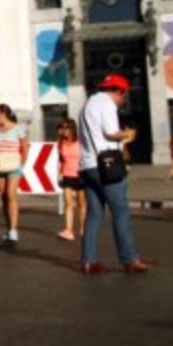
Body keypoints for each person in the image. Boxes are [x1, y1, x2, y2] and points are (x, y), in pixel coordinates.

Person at [77, 74, 152, 274]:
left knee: (94, 214)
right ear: (120, 92)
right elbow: (111, 132)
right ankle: (130, 259)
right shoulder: (108, 104)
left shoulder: (88, 105)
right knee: (120, 212)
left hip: (87, 165)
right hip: (106, 165)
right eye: (124, 96)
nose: (122, 101)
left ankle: (88, 260)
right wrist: (128, 134)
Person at [0, 103, 28, 246]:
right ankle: (9, 229)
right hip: (0, 166)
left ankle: (13, 230)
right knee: (4, 197)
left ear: (3, 114)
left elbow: (25, 146)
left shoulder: (19, 128)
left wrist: (22, 162)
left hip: (14, 166)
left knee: (11, 195)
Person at [56, 118, 85, 241]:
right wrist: (59, 174)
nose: (64, 131)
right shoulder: (61, 143)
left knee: (81, 203)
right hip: (67, 174)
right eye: (63, 128)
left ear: (72, 129)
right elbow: (61, 160)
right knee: (68, 203)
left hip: (81, 174)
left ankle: (83, 228)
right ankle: (68, 230)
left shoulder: (81, 142)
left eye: (67, 128)